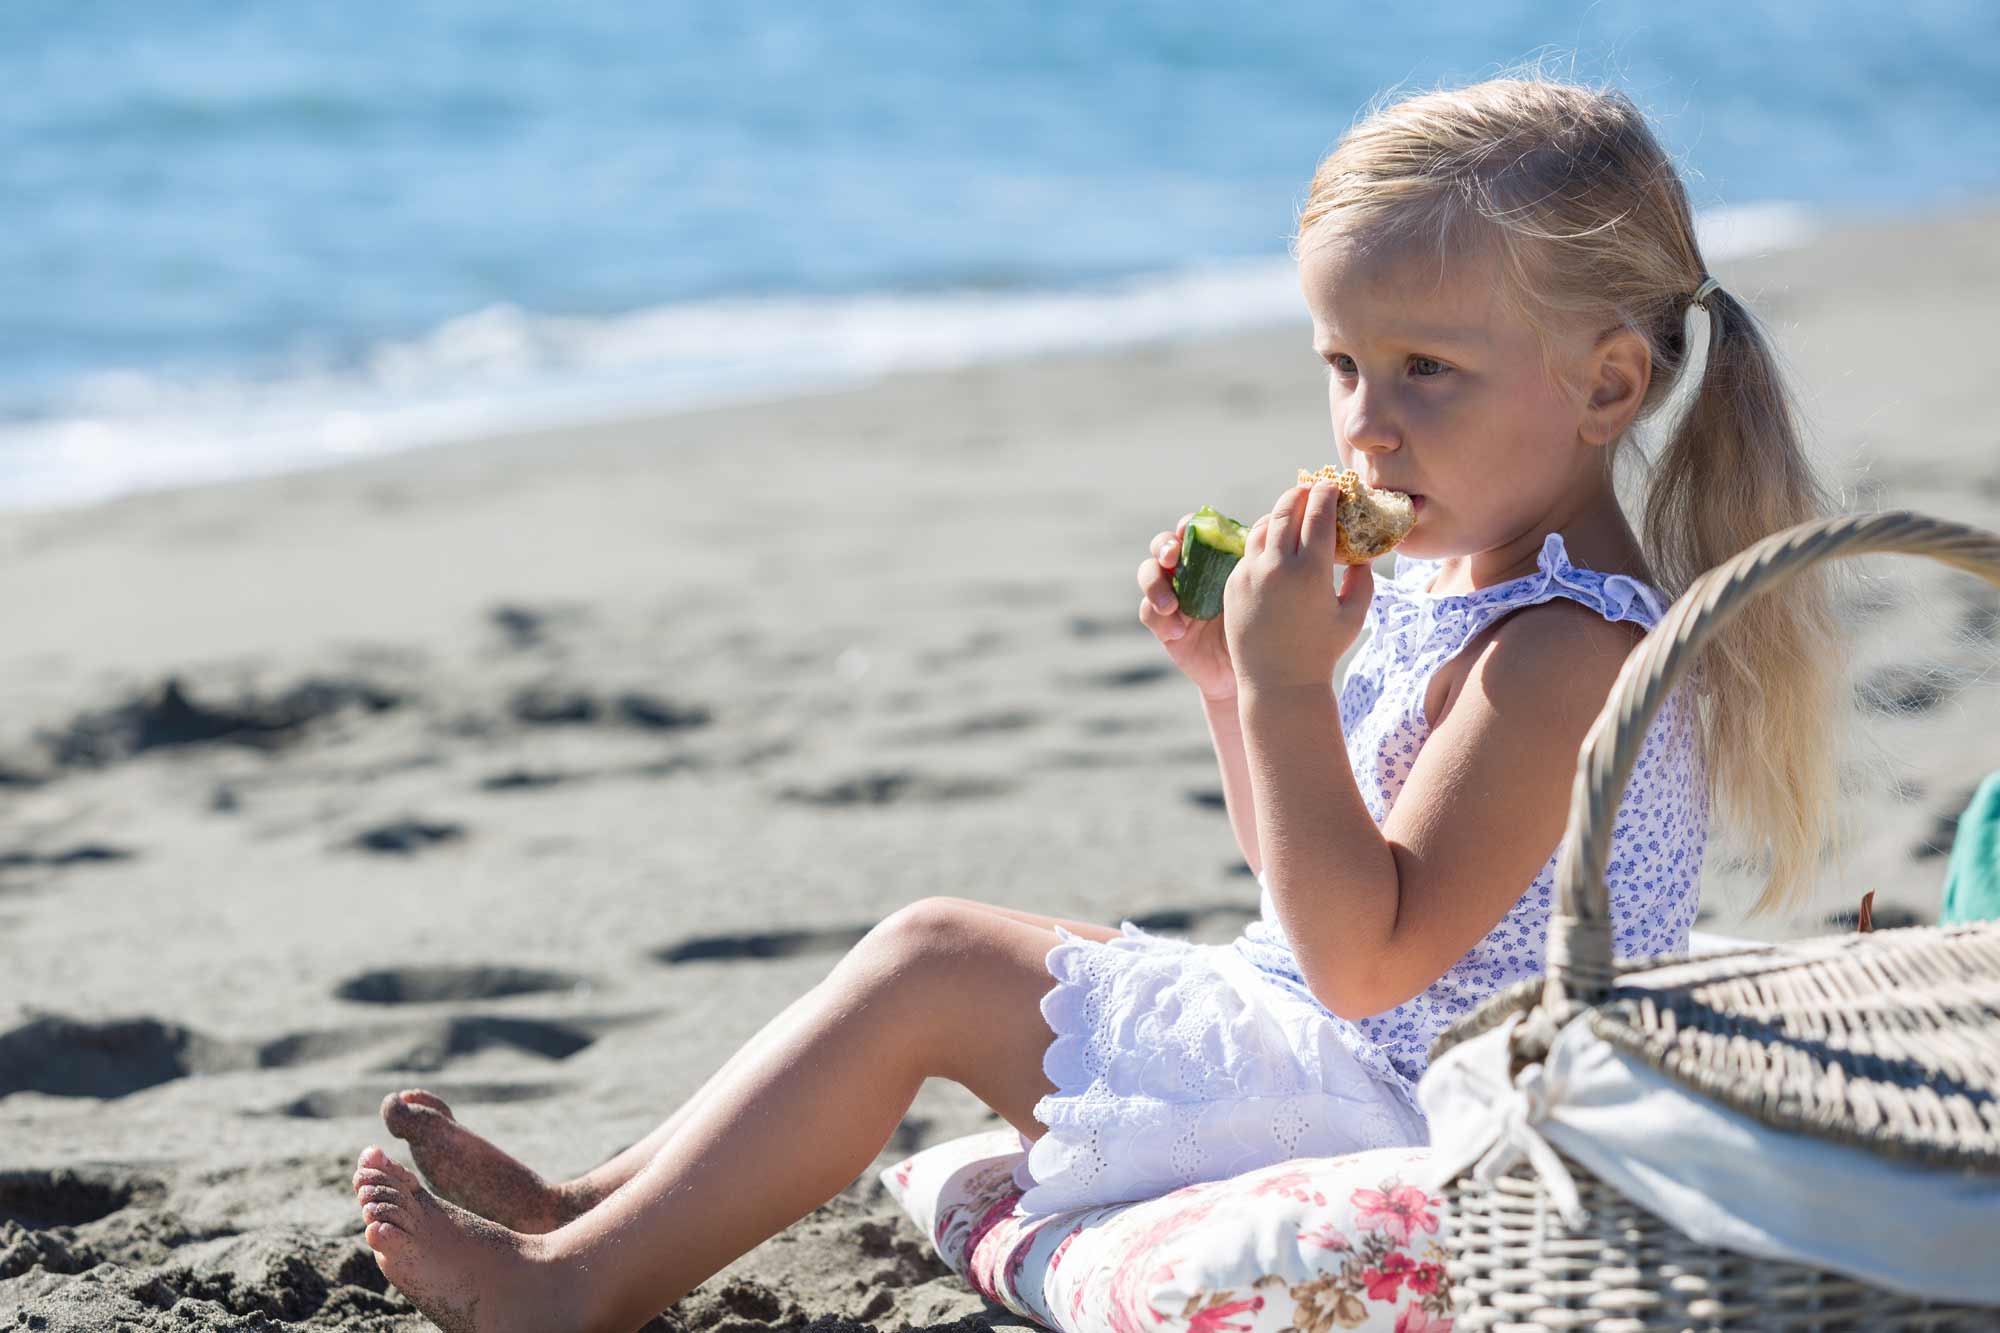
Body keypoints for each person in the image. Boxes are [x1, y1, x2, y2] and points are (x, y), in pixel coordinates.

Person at [348, 72, 1845, 1332]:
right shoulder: (1470, 581)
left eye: (1426, 370)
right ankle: (596, 1204)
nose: (1366, 425)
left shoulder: (1567, 651)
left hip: (1416, 1107)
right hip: (1339, 1038)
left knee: (935, 959)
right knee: (960, 951)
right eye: (1341, 363)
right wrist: (1234, 690)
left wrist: (1288, 684)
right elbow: (1311, 888)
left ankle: (575, 1291)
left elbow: (1366, 958)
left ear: (1605, 387)